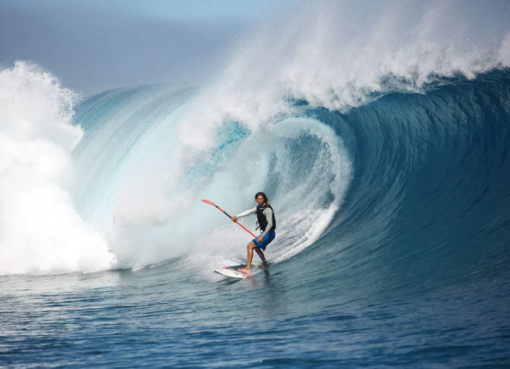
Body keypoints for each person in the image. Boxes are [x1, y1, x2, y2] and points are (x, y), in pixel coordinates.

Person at [231, 192, 276, 275]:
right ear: (256, 200)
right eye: (258, 199)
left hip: (269, 233)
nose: (259, 200)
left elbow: (270, 224)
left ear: (264, 199)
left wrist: (262, 235)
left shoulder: (267, 209)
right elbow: (250, 211)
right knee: (256, 247)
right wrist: (237, 216)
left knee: (250, 246)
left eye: (261, 199)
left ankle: (247, 269)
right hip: (266, 233)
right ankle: (265, 264)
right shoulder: (258, 208)